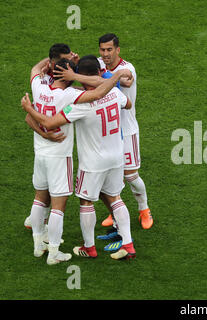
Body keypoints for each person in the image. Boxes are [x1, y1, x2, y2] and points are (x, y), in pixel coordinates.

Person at [22, 57, 136, 260]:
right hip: (117, 157)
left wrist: (29, 109)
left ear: (80, 77)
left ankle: (89, 247)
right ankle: (128, 244)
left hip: (93, 162)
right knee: (116, 198)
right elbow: (127, 104)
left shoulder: (79, 103)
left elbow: (48, 122)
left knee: (86, 202)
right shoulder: (114, 92)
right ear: (100, 73)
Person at [97, 33, 153, 230]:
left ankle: (144, 209)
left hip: (127, 130)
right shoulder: (98, 64)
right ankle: (115, 212)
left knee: (130, 176)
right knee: (111, 178)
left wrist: (100, 75)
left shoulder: (127, 68)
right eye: (102, 50)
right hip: (108, 133)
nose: (105, 54)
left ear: (117, 50)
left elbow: (126, 81)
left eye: (109, 50)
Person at [23, 43, 80, 230]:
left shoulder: (39, 85)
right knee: (58, 204)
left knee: (40, 196)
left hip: (40, 151)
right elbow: (96, 92)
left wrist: (42, 134)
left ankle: (38, 238)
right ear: (55, 65)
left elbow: (28, 117)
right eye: (66, 60)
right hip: (59, 153)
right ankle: (53, 249)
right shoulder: (69, 95)